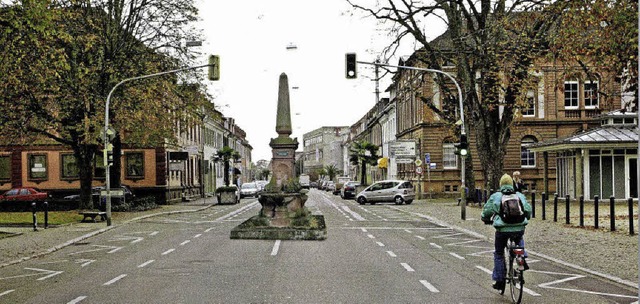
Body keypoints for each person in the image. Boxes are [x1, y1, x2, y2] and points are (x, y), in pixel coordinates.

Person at [481, 173, 532, 291]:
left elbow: (487, 211)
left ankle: (499, 280)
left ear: (501, 185)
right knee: (519, 237)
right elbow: (528, 210)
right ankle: (521, 255)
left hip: (502, 230)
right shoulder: (519, 195)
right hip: (519, 227)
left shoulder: (496, 196)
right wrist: (526, 218)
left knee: (499, 253)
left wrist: (485, 218)